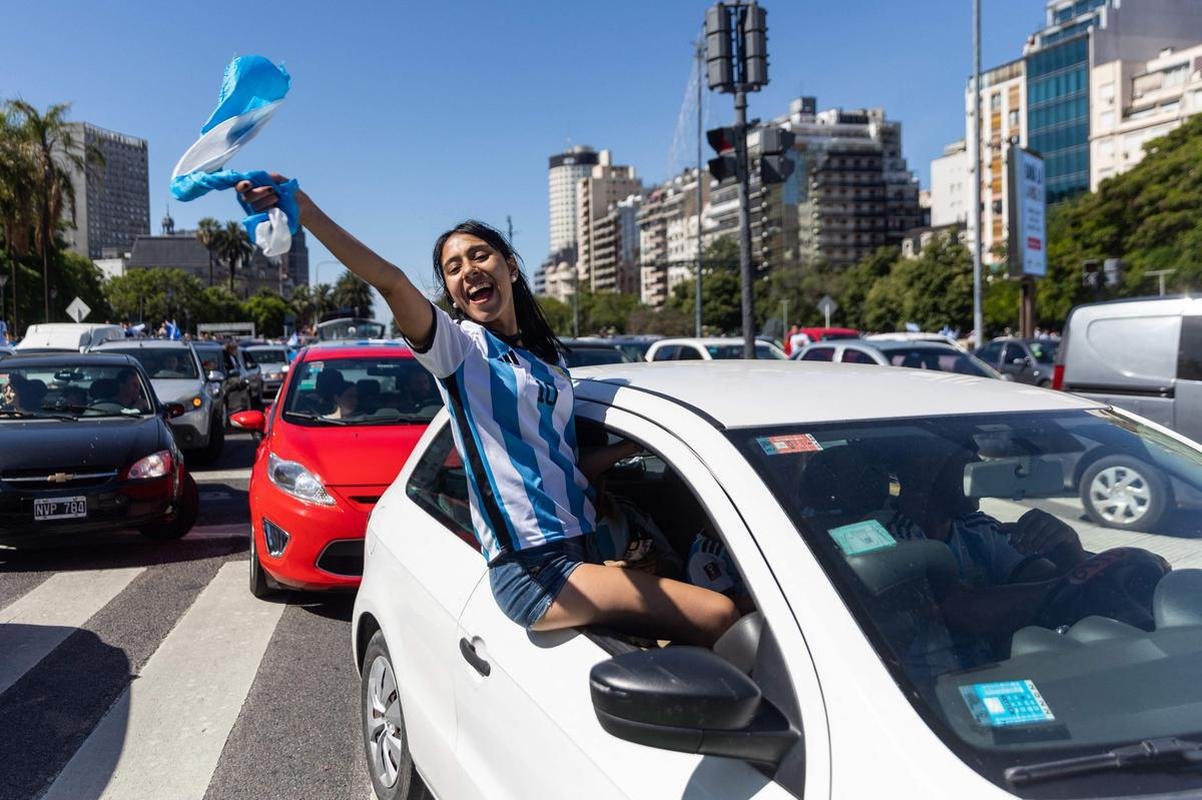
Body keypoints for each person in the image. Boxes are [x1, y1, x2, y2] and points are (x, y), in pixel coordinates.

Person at [239, 177, 739, 646]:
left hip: (581, 546)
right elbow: (390, 282)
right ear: (451, 294)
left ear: (511, 267)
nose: (468, 270)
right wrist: (306, 211)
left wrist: (632, 448)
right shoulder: (461, 349)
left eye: (480, 255)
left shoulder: (547, 363)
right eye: (453, 268)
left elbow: (562, 466)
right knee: (719, 614)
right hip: (534, 568)